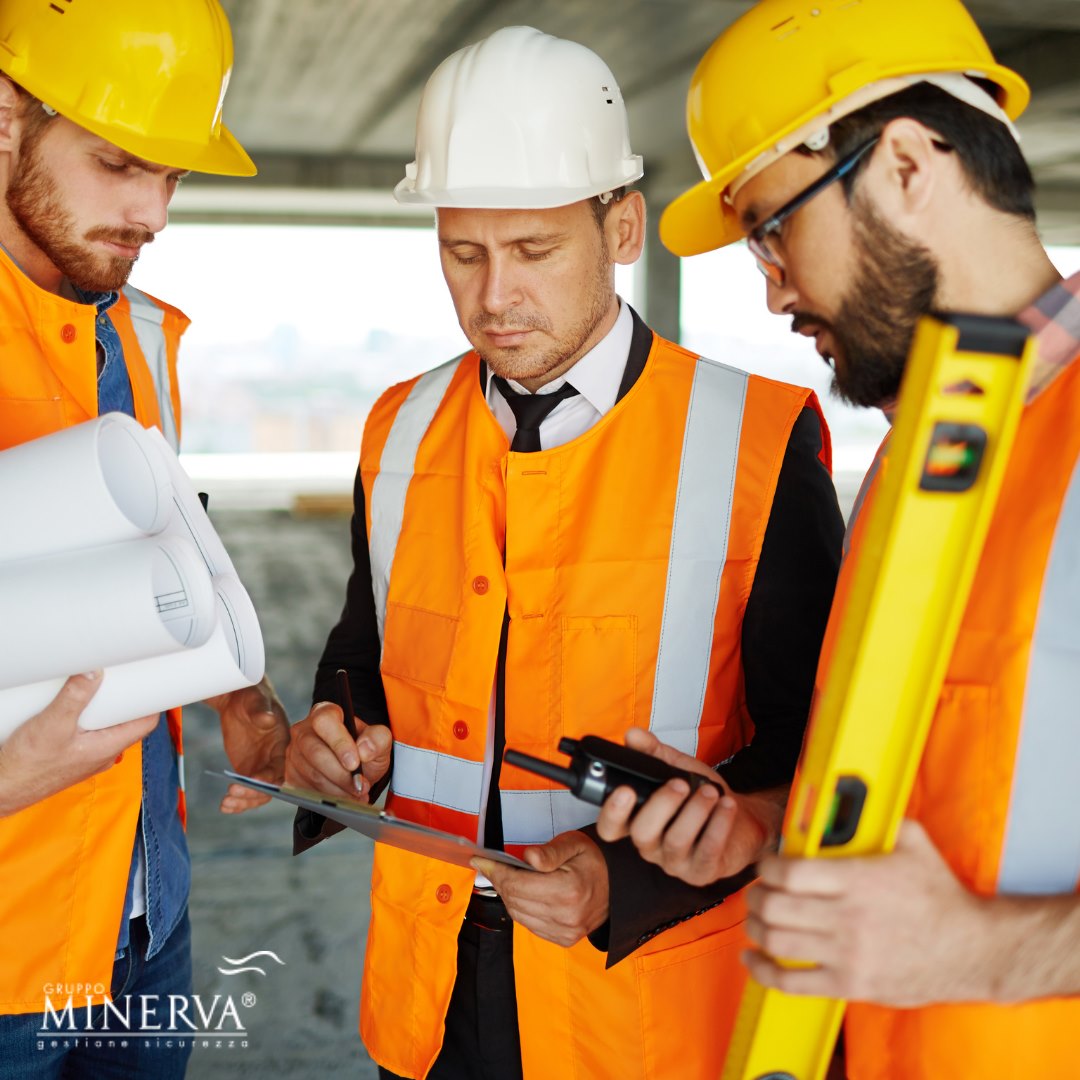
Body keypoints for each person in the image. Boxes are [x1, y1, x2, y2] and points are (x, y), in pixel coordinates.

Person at [284, 25, 843, 1080]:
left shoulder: (759, 441)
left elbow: (818, 763)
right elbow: (364, 651)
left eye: (533, 251)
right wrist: (338, 734)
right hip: (432, 983)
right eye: (463, 252)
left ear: (622, 227)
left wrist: (618, 882)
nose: (493, 296)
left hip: (638, 1002)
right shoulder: (397, 430)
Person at [596, 0, 1080, 1076]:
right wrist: (762, 825)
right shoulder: (921, 458)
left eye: (773, 225)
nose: (771, 290)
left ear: (907, 162)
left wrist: (981, 955)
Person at [0, 2, 290, 1076]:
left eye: (171, 175)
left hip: (137, 917)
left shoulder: (131, 330)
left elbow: (161, 549)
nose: (153, 211)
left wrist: (243, 702)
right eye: (119, 163)